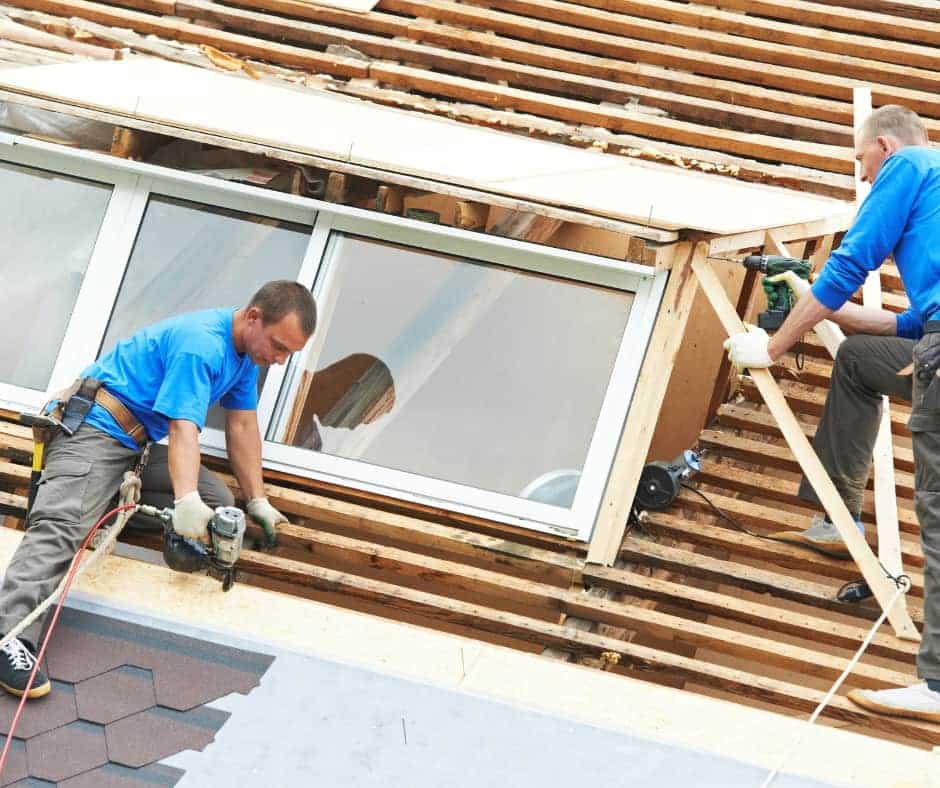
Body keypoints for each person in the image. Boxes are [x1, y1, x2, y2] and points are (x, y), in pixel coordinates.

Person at [724, 105, 940, 723]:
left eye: (862, 163)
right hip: (932, 337)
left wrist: (771, 345)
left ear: (885, 146)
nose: (865, 178)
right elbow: (906, 324)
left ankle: (938, 685)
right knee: (859, 360)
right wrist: (812, 300)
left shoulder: (908, 166)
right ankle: (834, 516)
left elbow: (850, 265)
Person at [0, 280, 316, 699]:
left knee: (218, 505)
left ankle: (96, 502)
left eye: (287, 355)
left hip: (133, 449)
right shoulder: (200, 344)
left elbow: (242, 426)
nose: (277, 360)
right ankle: (10, 634)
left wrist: (257, 499)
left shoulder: (242, 360)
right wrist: (185, 501)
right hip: (93, 432)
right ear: (254, 316)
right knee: (61, 526)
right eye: (278, 346)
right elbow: (182, 427)